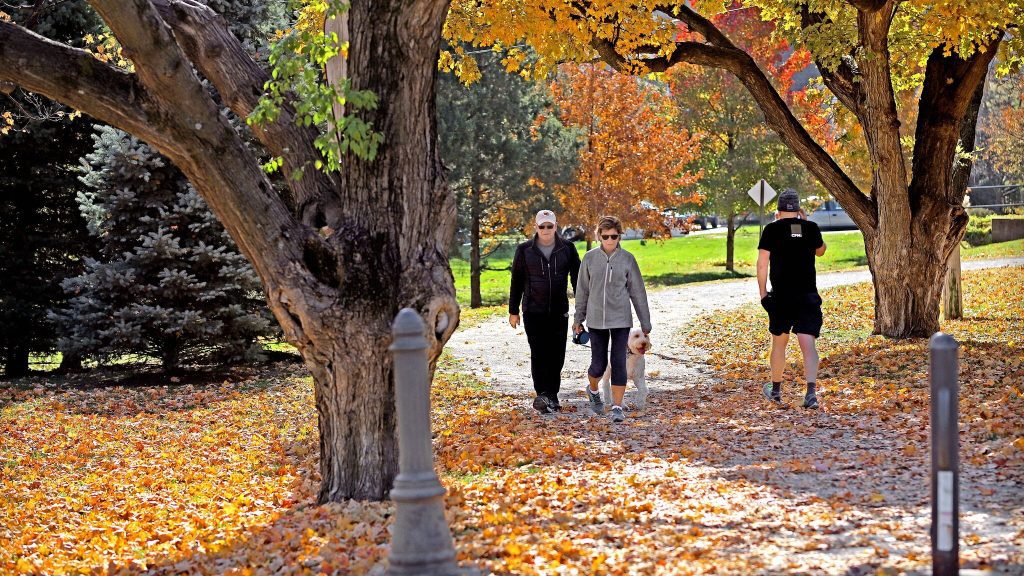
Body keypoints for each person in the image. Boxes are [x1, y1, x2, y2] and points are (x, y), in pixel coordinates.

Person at [573, 216, 651, 423]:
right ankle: (593, 390)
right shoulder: (589, 259)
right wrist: (578, 319)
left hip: (621, 320)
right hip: (596, 320)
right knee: (598, 365)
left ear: (619, 236)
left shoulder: (627, 259)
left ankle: (617, 407)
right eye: (605, 236)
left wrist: (645, 322)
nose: (609, 240)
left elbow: (638, 292)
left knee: (618, 363)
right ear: (599, 235)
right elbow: (582, 291)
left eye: (614, 236)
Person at [756, 188, 827, 409]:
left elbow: (762, 263)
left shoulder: (771, 229)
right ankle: (811, 394)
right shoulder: (810, 228)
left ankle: (776, 391)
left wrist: (763, 293)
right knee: (808, 344)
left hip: (781, 297)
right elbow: (821, 251)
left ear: (778, 210)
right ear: (798, 209)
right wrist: (804, 223)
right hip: (807, 296)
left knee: (779, 343)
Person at [509, 209, 582, 413]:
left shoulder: (567, 248)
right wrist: (513, 310)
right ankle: (542, 394)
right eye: (542, 226)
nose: (546, 230)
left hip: (559, 311)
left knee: (557, 355)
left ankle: (552, 395)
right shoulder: (524, 250)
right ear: (536, 227)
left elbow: (578, 281)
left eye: (550, 226)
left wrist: (582, 310)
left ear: (556, 227)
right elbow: (516, 281)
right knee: (539, 353)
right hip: (533, 311)